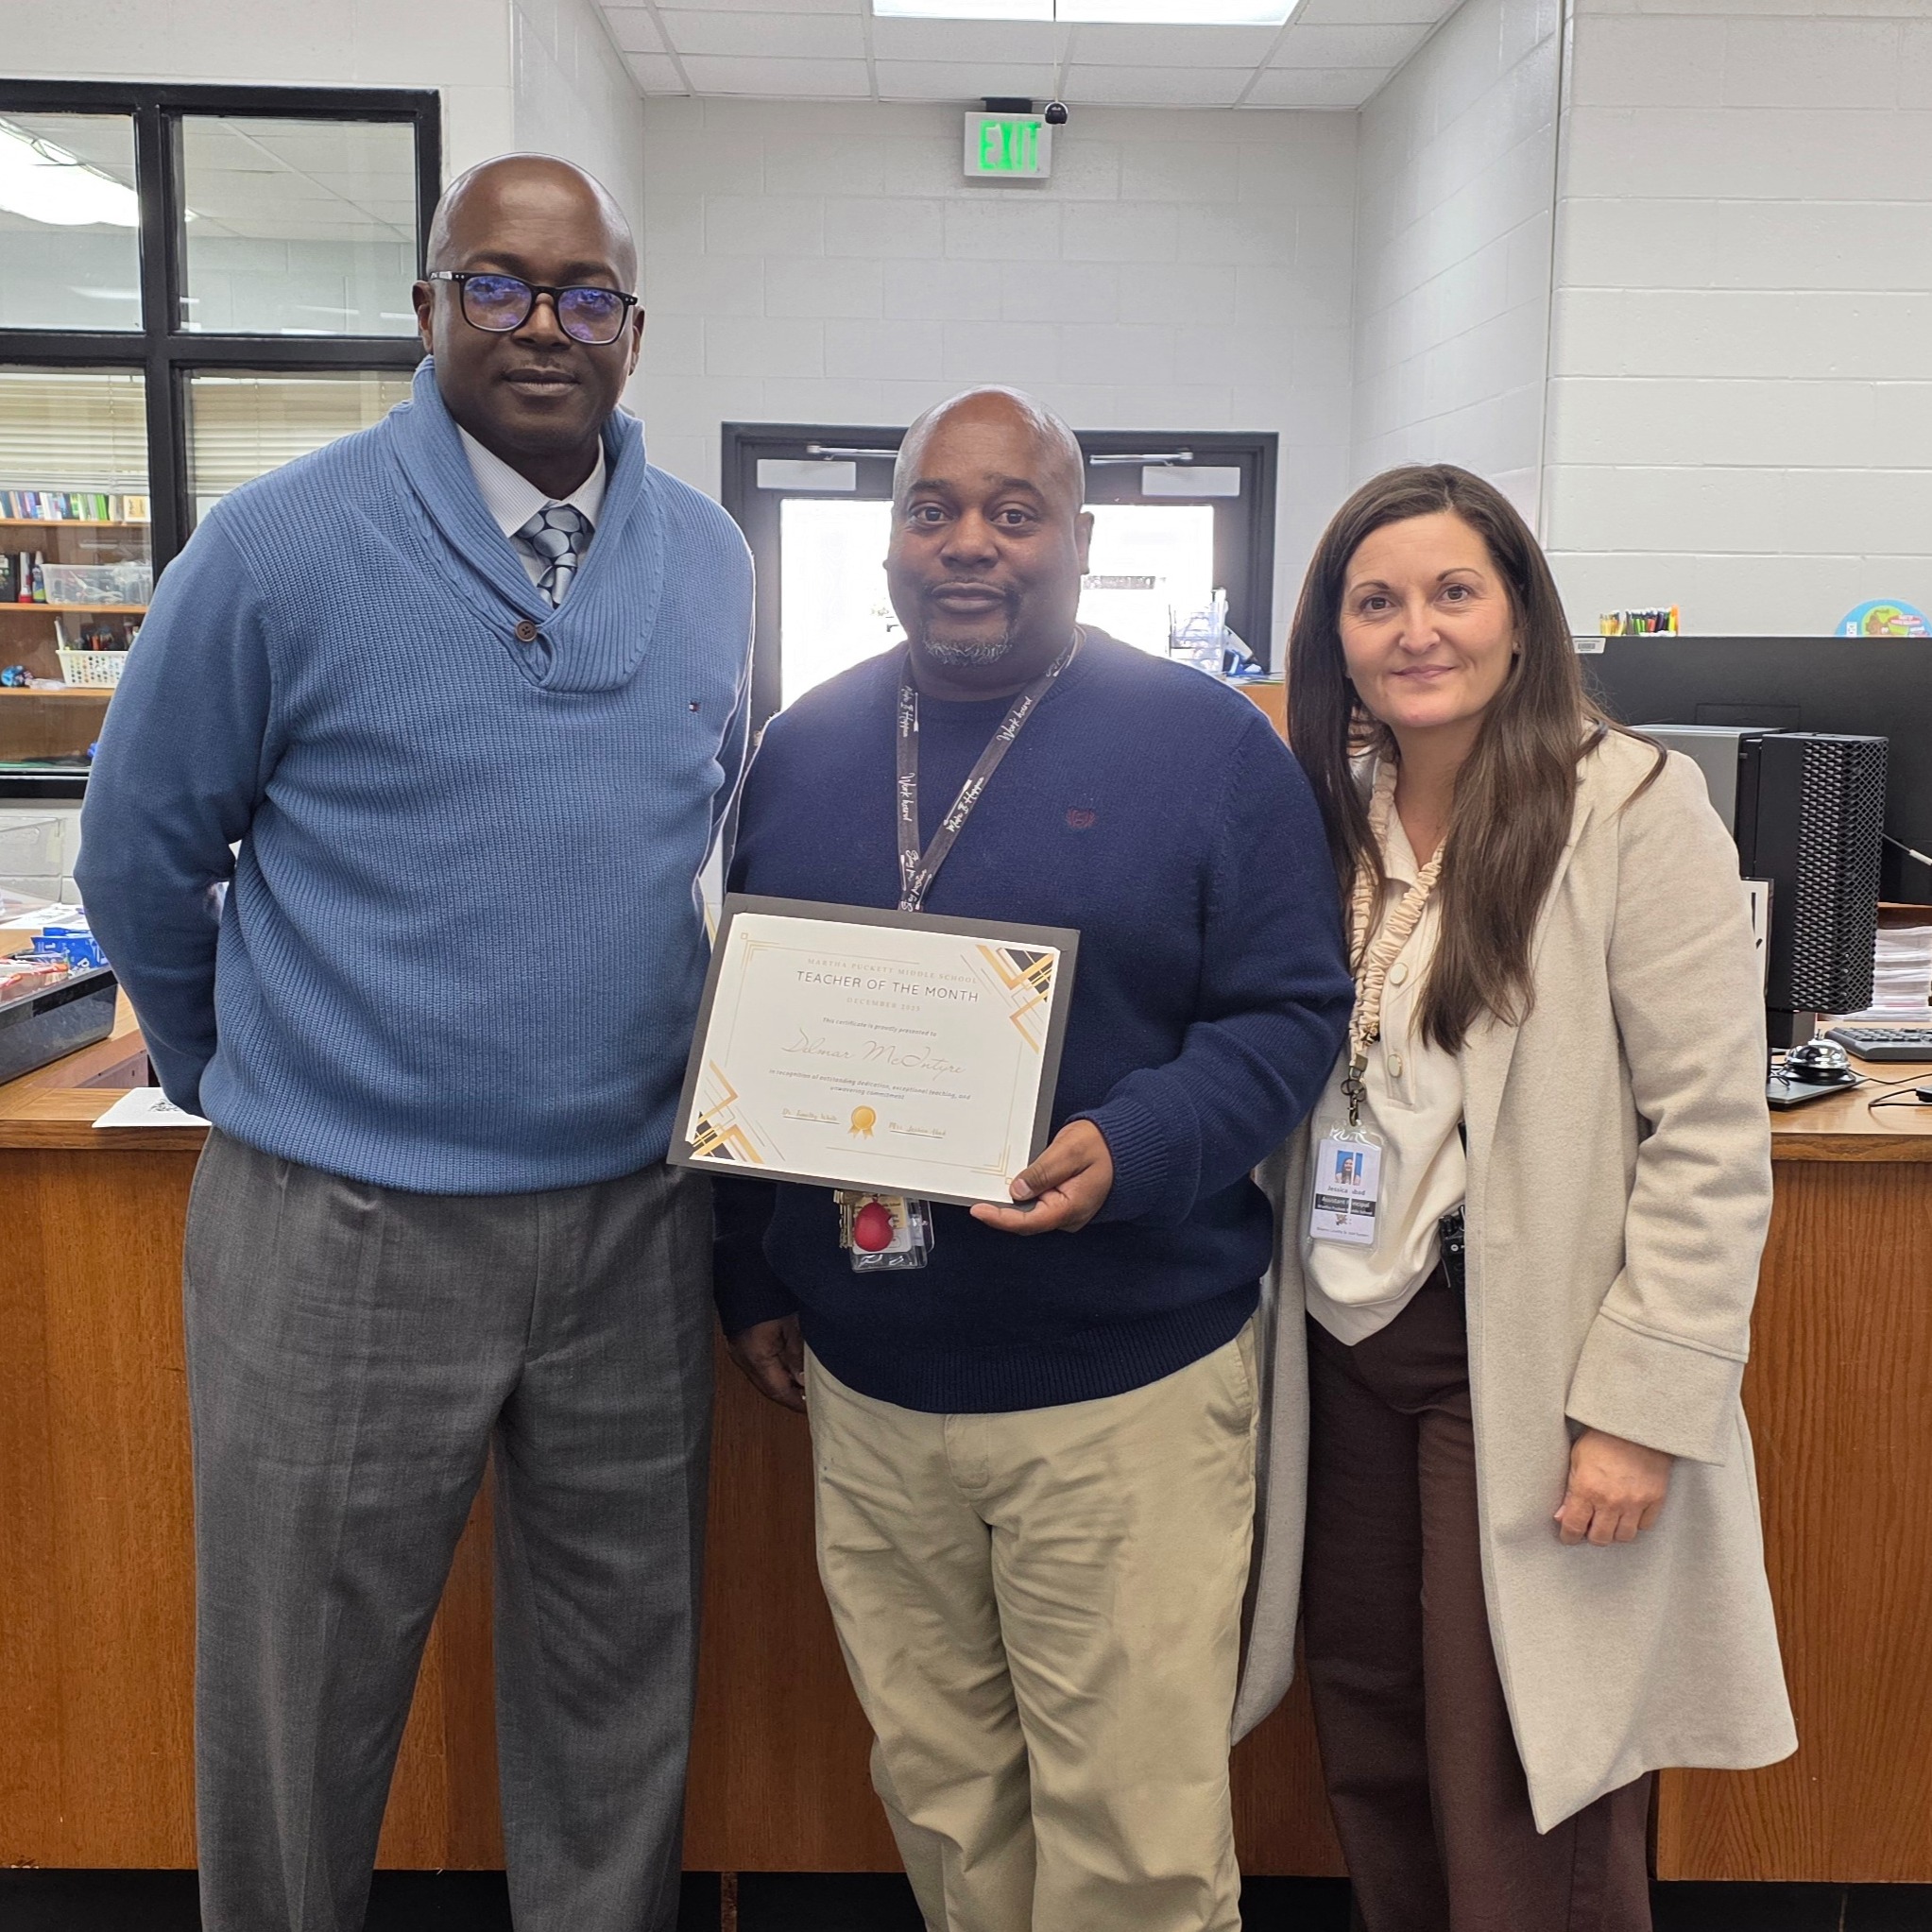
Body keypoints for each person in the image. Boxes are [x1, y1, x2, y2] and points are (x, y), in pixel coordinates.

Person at [77, 156, 752, 1932]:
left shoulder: (710, 560)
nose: (547, 325)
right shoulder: (280, 547)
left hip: (629, 1221)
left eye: (586, 293)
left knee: (619, 1688)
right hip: (342, 1227)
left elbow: (696, 836)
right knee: (298, 1701)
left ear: (632, 325)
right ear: (429, 308)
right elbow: (141, 850)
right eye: (500, 286)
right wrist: (242, 1077)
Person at [714, 385, 1354, 1932]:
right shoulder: (804, 748)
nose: (970, 543)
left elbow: (1290, 1012)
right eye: (934, 508)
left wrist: (1132, 1146)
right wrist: (752, 1270)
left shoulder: (1211, 748)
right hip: (873, 1383)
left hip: (1119, 1388)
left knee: (1130, 1831)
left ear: (1077, 538)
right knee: (942, 1797)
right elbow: (749, 1017)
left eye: (1015, 510)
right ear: (887, 541)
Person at [1232, 465, 1795, 1929]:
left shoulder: (1629, 803)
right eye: (1375, 600)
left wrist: (1637, 1407)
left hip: (1524, 1359)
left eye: (1452, 590)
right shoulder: (1321, 811)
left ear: (1519, 613)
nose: (1415, 629)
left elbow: (1710, 1130)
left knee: (1521, 1759)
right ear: (1332, 631)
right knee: (1370, 1725)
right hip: (1341, 1339)